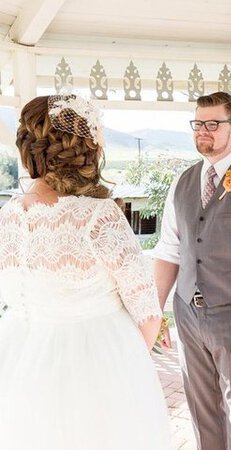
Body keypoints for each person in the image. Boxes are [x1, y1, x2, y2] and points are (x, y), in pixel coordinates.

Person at [0, 94, 170, 450]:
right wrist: (126, 369)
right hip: (96, 373)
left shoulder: (8, 216)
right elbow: (148, 315)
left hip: (19, 365)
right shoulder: (98, 216)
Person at [153, 91, 231, 450]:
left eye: (213, 124)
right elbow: (169, 252)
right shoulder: (182, 182)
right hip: (187, 314)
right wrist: (157, 313)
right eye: (198, 124)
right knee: (201, 410)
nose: (203, 131)